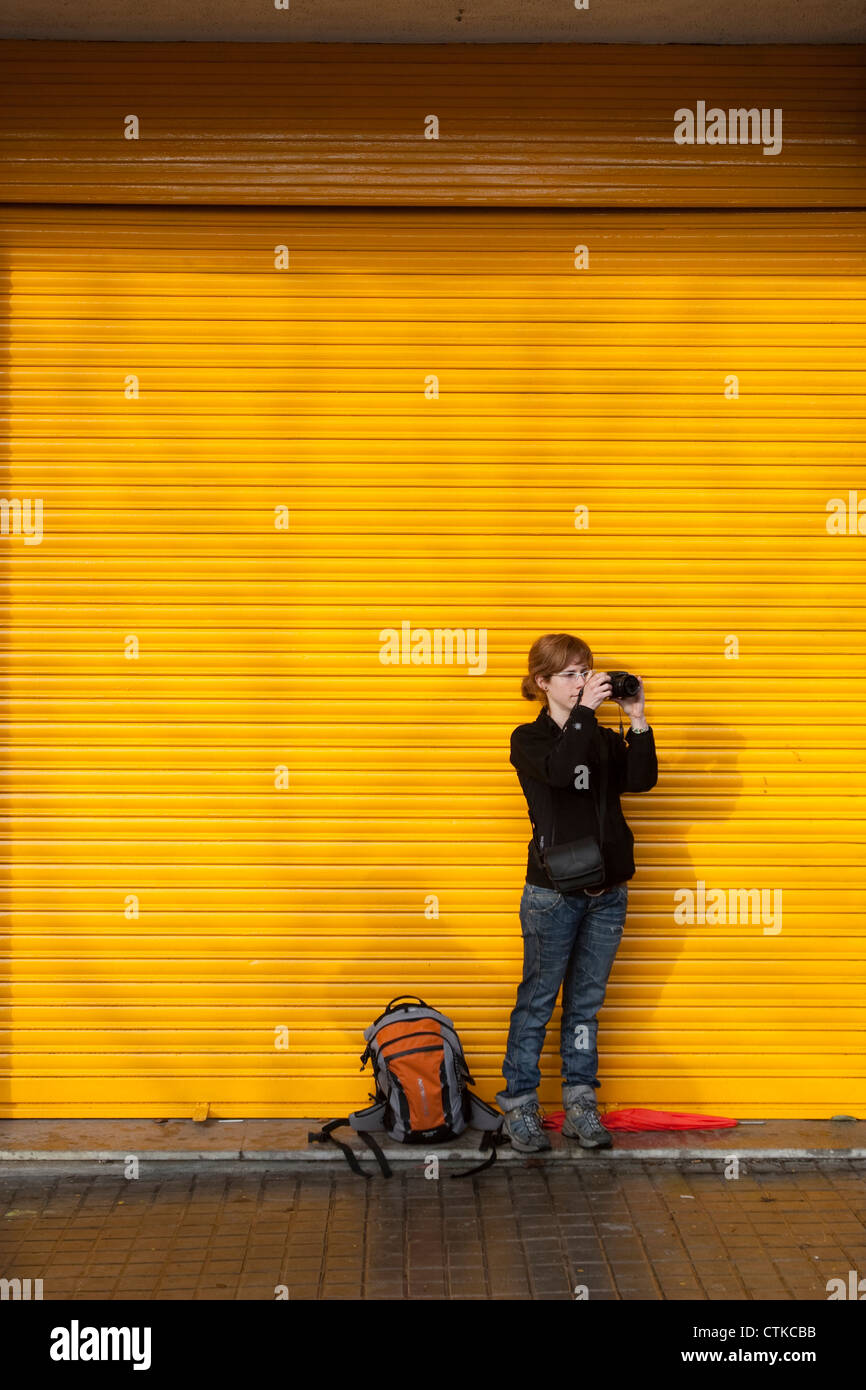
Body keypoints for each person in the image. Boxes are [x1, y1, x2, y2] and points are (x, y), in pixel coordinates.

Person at [496, 632, 658, 1151]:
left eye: (586, 670)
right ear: (542, 682)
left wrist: (635, 718)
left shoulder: (603, 736)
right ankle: (519, 1106)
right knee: (537, 1002)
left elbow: (642, 780)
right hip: (553, 893)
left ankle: (581, 1103)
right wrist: (586, 715)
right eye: (569, 673)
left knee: (585, 1005)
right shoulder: (529, 739)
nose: (582, 680)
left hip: (607, 891)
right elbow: (564, 772)